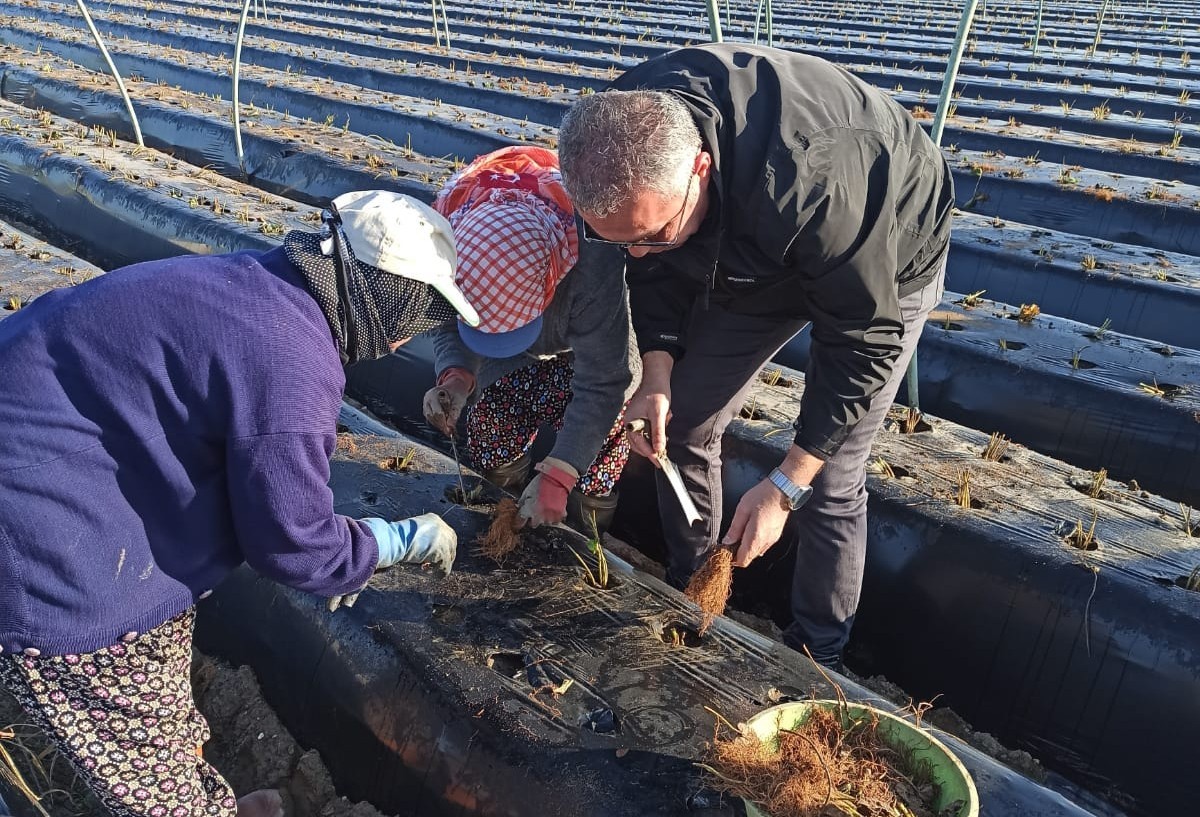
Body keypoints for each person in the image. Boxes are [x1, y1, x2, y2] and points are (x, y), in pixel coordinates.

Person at [0, 192, 477, 817]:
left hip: (68, 466)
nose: (401, 341)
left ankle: (203, 796)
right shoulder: (290, 362)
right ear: (380, 293)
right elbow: (291, 540)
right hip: (44, 535)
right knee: (129, 730)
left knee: (158, 683)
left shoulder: (254, 281)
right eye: (412, 316)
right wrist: (390, 543)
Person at [558, 44, 954, 668]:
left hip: (884, 256)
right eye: (617, 240)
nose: (634, 255)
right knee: (682, 420)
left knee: (833, 473)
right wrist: (657, 365)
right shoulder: (620, 129)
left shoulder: (811, 182)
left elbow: (862, 338)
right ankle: (696, 589)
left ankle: (816, 655)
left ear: (699, 169)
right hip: (744, 248)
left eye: (653, 235)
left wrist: (787, 484)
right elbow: (649, 259)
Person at [422, 146, 638, 533]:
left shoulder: (592, 258)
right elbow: (445, 318)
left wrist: (560, 474)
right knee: (492, 426)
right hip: (513, 362)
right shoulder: (445, 238)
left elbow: (603, 381)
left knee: (599, 451)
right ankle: (509, 513)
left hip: (585, 355)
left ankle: (585, 534)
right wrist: (455, 375)